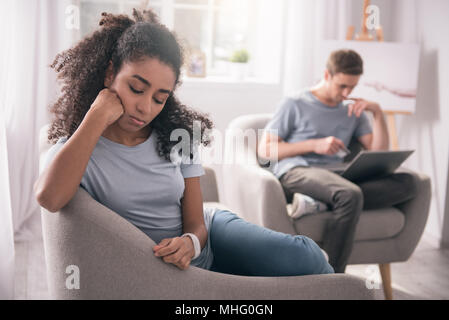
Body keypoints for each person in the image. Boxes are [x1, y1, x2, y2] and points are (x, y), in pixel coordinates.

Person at [34, 9, 333, 277]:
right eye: (136, 88)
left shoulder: (177, 137)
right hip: (169, 270)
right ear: (110, 72)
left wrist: (190, 242)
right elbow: (49, 197)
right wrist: (96, 116)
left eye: (159, 98)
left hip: (211, 235)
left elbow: (196, 224)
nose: (145, 108)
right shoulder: (79, 148)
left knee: (306, 257)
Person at [258, 49, 417, 273]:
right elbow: (265, 149)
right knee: (349, 195)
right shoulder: (294, 103)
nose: (347, 93)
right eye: (342, 86)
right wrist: (314, 144)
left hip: (338, 176)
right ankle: (330, 276)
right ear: (327, 75)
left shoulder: (352, 109)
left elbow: (377, 150)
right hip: (298, 169)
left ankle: (319, 203)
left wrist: (378, 113)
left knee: (409, 184)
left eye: (352, 87)